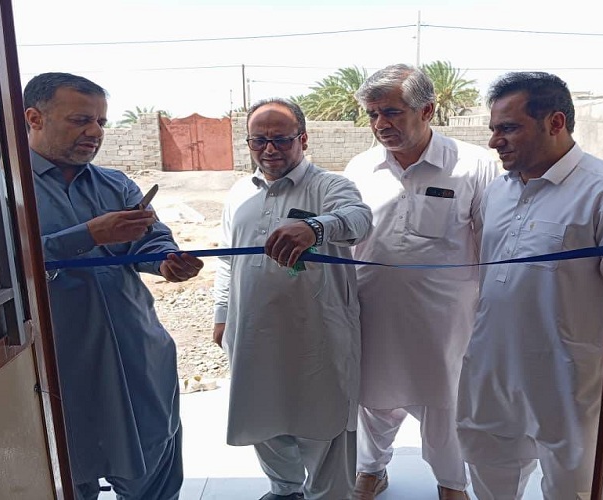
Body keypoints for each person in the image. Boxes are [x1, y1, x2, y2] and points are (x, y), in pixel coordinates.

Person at [24, 72, 203, 500]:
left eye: (101, 122)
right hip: (59, 362)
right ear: (34, 118)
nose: (95, 132)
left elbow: (151, 240)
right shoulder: (4, 189)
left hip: (137, 350)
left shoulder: (116, 184)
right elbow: (5, 262)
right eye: (80, 120)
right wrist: (88, 235)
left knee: (153, 465)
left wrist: (167, 261)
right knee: (69, 471)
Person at [456, 72, 603, 499]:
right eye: (494, 129)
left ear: (555, 122)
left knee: (571, 487)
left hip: (568, 379)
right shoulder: (497, 191)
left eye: (509, 128)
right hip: (491, 365)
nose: (495, 141)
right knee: (488, 471)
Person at [343, 64, 497, 500]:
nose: (380, 124)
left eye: (392, 112)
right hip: (373, 309)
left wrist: (491, 315)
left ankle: (452, 482)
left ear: (427, 110)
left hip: (445, 320)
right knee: (372, 397)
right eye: (373, 114)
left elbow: (491, 243)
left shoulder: (472, 166)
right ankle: (371, 469)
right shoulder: (360, 168)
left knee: (443, 403)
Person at [212, 98, 372, 500]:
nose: (269, 149)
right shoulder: (239, 193)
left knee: (324, 421)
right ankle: (284, 490)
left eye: (281, 139)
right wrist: (222, 313)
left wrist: (316, 228)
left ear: (303, 139)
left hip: (317, 333)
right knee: (261, 416)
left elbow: (359, 219)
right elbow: (227, 260)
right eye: (259, 140)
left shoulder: (329, 186)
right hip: (252, 332)